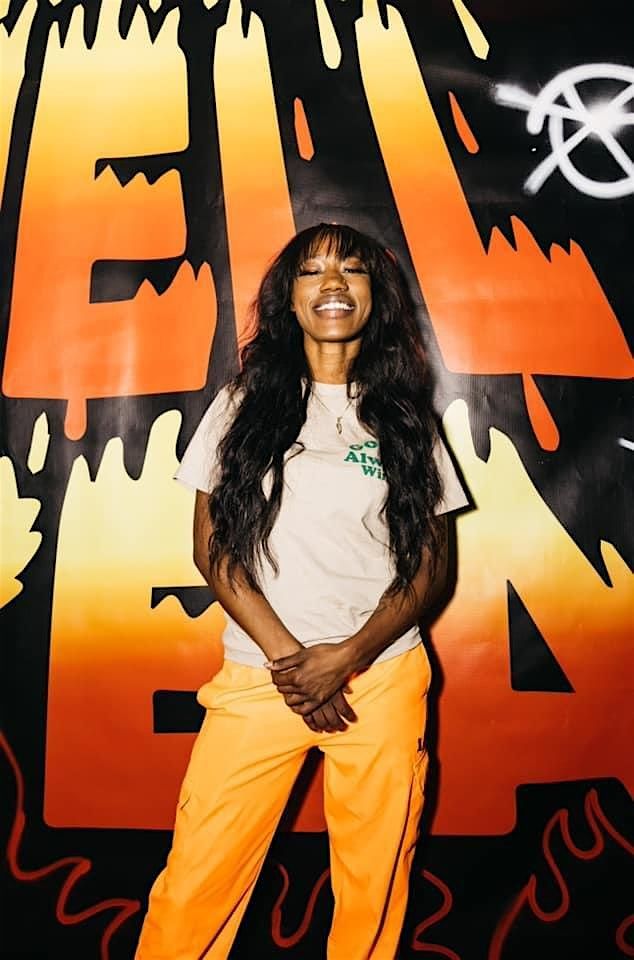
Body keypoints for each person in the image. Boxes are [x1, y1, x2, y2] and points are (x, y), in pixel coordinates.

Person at [135, 223, 467, 959]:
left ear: (376, 297)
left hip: (379, 678)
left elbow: (429, 567)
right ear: (289, 298)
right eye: (313, 270)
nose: (333, 283)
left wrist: (347, 657)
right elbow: (213, 549)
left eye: (352, 269)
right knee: (194, 886)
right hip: (265, 677)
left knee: (373, 892)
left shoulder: (407, 418)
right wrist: (296, 664)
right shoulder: (241, 404)